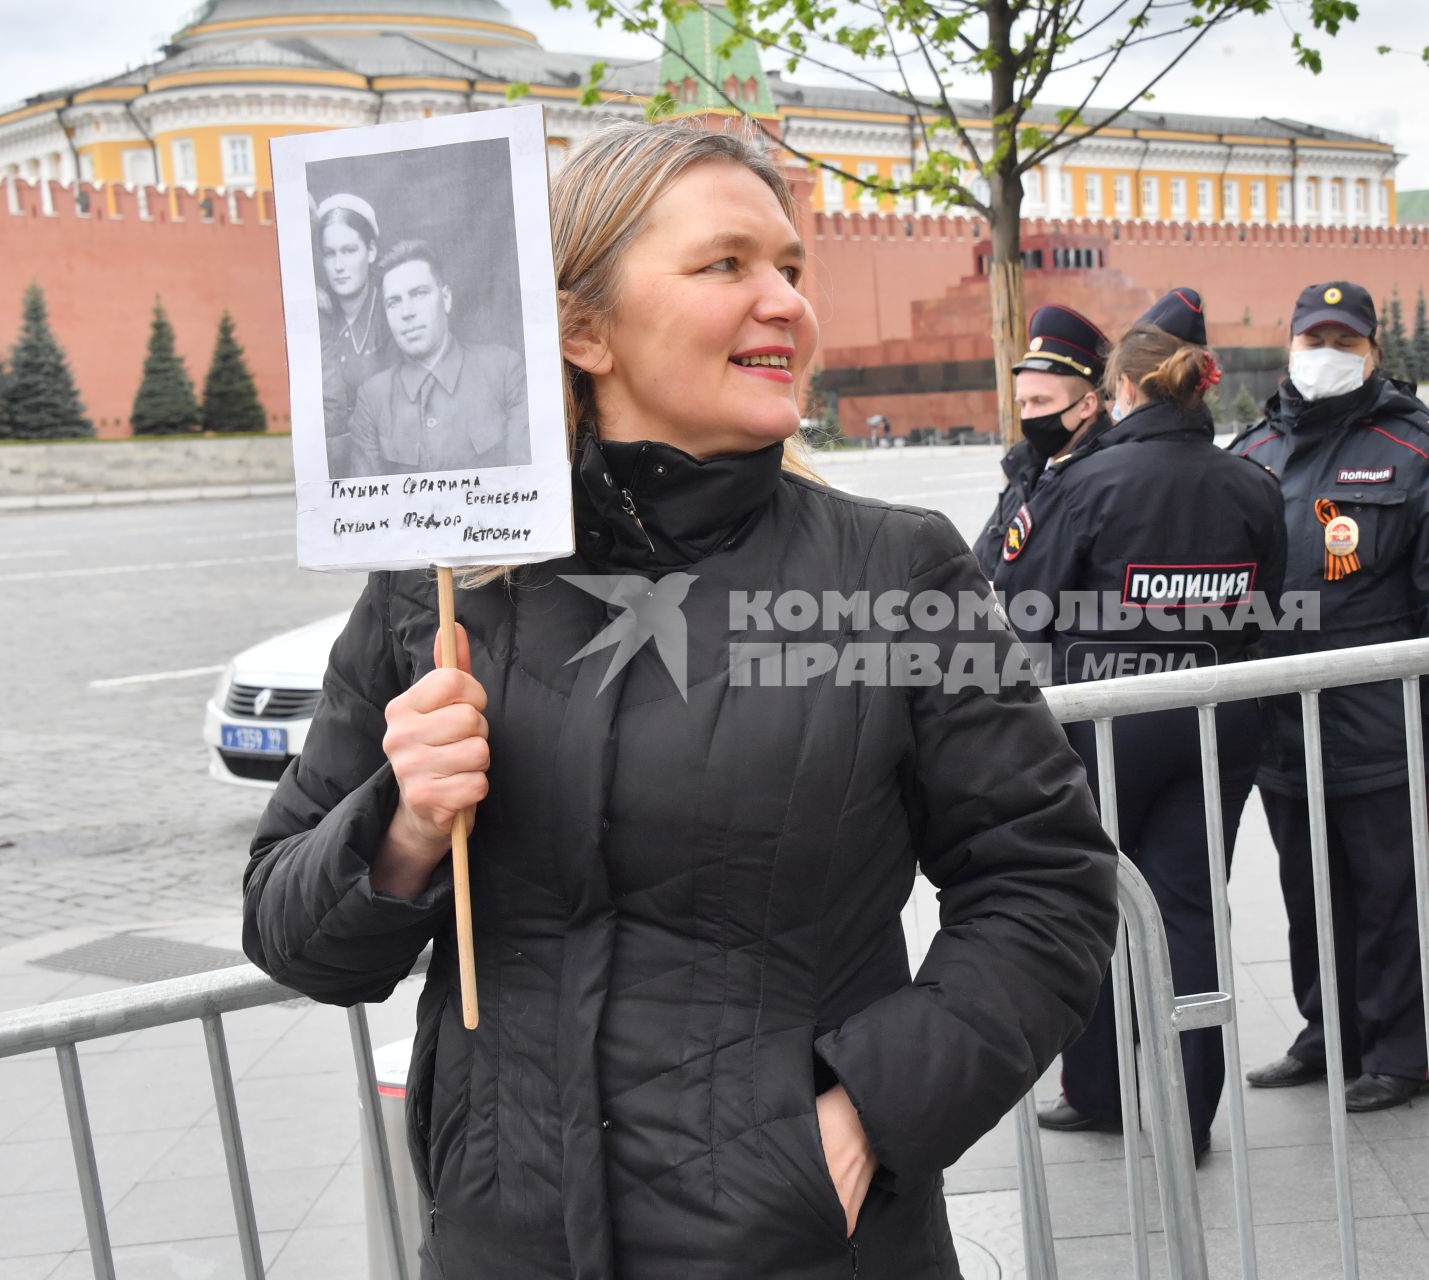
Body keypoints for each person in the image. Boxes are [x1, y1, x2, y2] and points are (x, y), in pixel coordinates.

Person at [242, 120, 1117, 1279]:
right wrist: (400, 826)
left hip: (802, 1246)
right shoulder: (435, 587)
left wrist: (863, 1118)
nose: (786, 304)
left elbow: (1045, 887)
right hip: (509, 1244)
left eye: (790, 270)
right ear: (583, 328)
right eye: (727, 265)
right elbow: (291, 932)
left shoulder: (891, 573)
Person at [990, 288, 1288, 1156]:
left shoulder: (1086, 483)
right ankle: (1187, 1115)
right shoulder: (1251, 483)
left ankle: (1097, 1089)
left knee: (1090, 903)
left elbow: (1023, 604)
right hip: (1214, 720)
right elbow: (1265, 608)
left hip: (1108, 722)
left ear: (1123, 389)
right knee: (1191, 914)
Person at [1229, 280, 1429, 1112]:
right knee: (1308, 890)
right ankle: (1329, 1033)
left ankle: (1400, 1051)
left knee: (1391, 892)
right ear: (1289, 346)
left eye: (1345, 343)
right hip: (1282, 719)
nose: (1327, 356)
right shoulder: (1251, 453)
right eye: (1315, 339)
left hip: (1384, 716)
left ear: (1373, 352)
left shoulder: (1421, 451)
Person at [342, 239, 531, 477]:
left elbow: (528, 489)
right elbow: (366, 508)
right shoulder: (372, 399)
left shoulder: (503, 371)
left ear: (446, 298)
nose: (407, 312)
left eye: (419, 294)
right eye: (393, 302)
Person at [970, 304, 1110, 579]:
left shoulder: (1106, 479)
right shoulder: (1027, 469)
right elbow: (980, 565)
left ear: (1087, 405)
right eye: (1023, 403)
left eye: (1040, 401)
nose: (1028, 415)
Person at [314, 193, 394, 476]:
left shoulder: (391, 310)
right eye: (329, 253)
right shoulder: (317, 316)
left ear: (370, 251)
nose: (338, 266)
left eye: (349, 251)